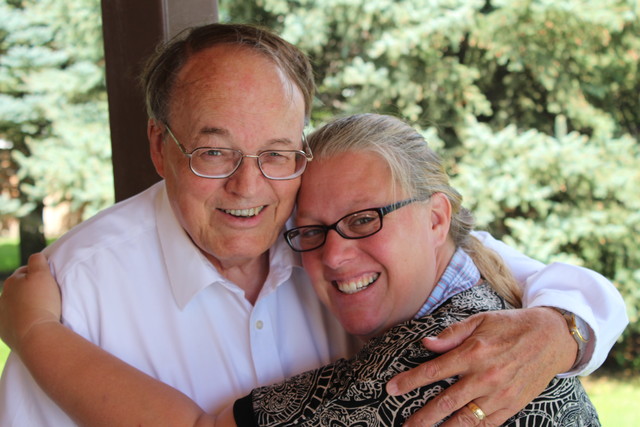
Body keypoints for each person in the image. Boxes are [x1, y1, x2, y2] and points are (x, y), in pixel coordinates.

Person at [0, 23, 626, 426]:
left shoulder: (326, 234)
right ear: (161, 148)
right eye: (215, 152)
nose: (249, 188)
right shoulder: (76, 293)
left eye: (274, 152)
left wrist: (561, 329)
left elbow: (532, 276)